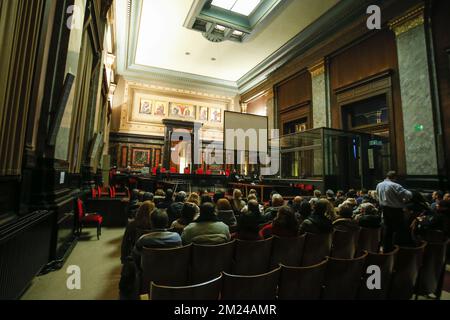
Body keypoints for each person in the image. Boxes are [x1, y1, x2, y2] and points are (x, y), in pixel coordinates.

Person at [376, 171, 413, 252]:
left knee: (387, 229)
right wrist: (404, 199)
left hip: (385, 209)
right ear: (395, 177)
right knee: (399, 229)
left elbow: (378, 196)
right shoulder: (395, 185)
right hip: (395, 210)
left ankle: (387, 248)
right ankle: (400, 249)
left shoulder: (379, 185)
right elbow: (408, 195)